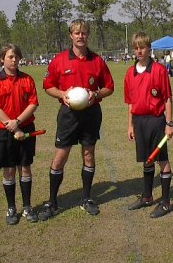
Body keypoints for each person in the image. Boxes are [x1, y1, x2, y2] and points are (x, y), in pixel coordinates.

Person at [40, 19, 114, 221]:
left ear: (87, 36)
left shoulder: (97, 61)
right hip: (68, 115)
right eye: (76, 33)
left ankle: (86, 198)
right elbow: (47, 85)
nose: (80, 36)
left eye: (84, 33)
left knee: (88, 154)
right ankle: (53, 202)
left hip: (91, 114)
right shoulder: (60, 60)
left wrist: (96, 95)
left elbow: (109, 87)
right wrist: (62, 94)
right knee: (60, 156)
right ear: (70, 35)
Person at [0, 43, 40, 225]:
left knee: (25, 167)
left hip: (25, 129)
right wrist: (14, 127)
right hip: (4, 133)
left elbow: (33, 104)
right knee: (8, 170)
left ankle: (27, 207)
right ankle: (11, 208)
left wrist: (19, 122)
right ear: (2, 59)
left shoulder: (27, 79)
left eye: (16, 56)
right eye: (10, 57)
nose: (14, 59)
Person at [124, 32, 173, 218]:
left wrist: (169, 124)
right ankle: (147, 197)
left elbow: (167, 99)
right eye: (136, 48)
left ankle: (165, 202)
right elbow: (130, 102)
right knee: (146, 160)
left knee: (162, 160)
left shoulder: (159, 70)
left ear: (149, 48)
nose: (139, 51)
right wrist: (130, 125)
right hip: (139, 122)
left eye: (142, 47)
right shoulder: (129, 73)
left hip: (156, 122)